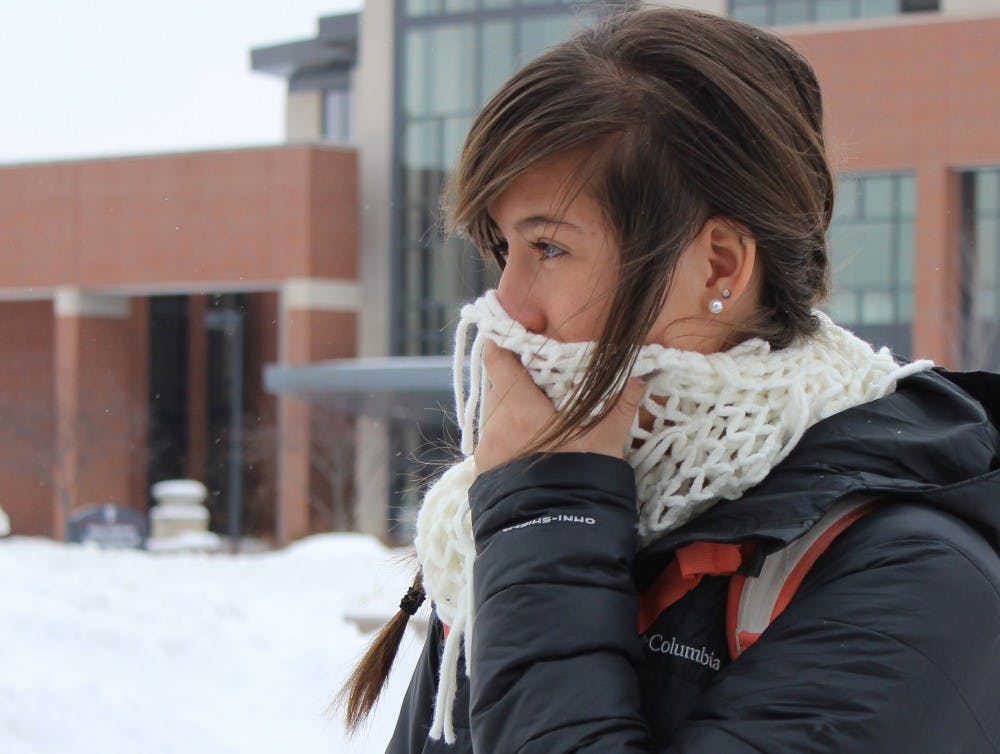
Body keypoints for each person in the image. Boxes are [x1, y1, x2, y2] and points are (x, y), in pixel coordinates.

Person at [343, 7, 1000, 753]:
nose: (508, 306)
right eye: (503, 250)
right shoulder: (516, 516)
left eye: (549, 248)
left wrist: (548, 520)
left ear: (719, 266)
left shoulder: (916, 583)